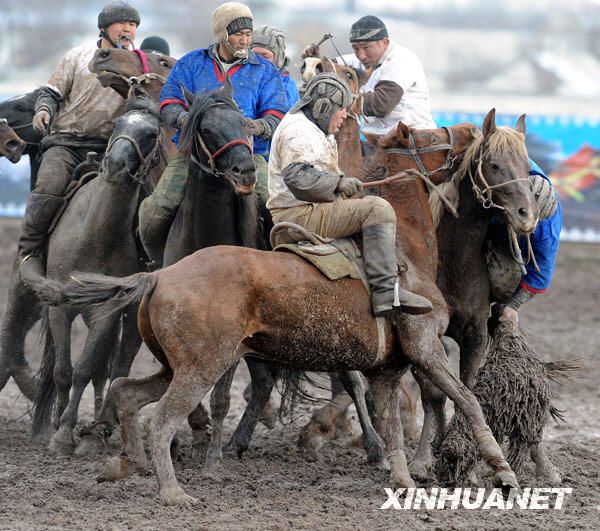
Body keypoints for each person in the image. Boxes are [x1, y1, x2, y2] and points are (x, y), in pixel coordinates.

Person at [138, 2, 289, 270]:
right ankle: (157, 264)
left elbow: (277, 111)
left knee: (273, 207)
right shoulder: (191, 63)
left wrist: (260, 126)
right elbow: (169, 99)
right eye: (238, 35)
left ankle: (277, 267)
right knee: (156, 209)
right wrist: (183, 118)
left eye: (248, 34)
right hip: (194, 157)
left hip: (248, 156)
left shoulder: (264, 71)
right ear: (222, 35)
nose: (244, 40)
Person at [267, 73, 432, 317]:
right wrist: (338, 183)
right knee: (378, 209)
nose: (345, 116)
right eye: (341, 110)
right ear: (323, 107)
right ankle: (386, 292)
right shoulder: (298, 131)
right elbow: (298, 178)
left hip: (308, 209)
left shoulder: (312, 126)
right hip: (299, 215)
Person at [19, 1, 140, 279]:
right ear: (104, 28)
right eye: (122, 23)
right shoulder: (77, 56)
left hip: (113, 148)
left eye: (132, 25)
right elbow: (51, 92)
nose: (128, 29)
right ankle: (30, 252)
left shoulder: (138, 64)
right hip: (67, 144)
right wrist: (43, 110)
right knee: (48, 187)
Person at [302, 15, 436, 135]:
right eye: (355, 49)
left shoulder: (401, 59)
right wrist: (313, 60)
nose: (361, 55)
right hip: (378, 139)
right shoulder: (362, 59)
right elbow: (327, 68)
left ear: (384, 42)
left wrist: (340, 98)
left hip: (414, 138)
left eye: (366, 48)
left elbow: (381, 104)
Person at [497, 160, 562, 327]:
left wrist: (513, 306)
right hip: (501, 208)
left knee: (503, 281)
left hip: (513, 242)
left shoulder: (546, 233)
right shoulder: (506, 176)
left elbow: (540, 274)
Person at [250, 25, 300, 161]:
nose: (259, 61)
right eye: (255, 55)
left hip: (271, 158)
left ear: (278, 58)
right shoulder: (243, 80)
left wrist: (260, 127)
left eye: (265, 56)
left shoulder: (287, 88)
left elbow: (283, 127)